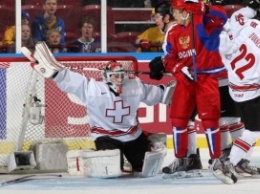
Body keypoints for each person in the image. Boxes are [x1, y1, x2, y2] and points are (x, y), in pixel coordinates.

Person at [22, 41, 170, 175]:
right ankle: (92, 157)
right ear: (106, 77)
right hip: (106, 137)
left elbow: (162, 94)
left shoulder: (134, 86)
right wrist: (54, 73)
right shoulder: (93, 89)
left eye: (120, 76)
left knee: (146, 169)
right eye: (114, 76)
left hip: (132, 136)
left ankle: (148, 141)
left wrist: (180, 89)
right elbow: (71, 81)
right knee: (111, 171)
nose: (118, 80)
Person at [149, 0, 237, 184]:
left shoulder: (205, 22)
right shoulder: (173, 32)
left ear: (187, 12)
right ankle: (181, 159)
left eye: (177, 11)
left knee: (211, 119)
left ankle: (216, 160)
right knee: (179, 119)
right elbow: (170, 59)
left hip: (206, 79)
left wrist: (203, 7)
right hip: (185, 81)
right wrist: (179, 69)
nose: (174, 15)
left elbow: (221, 16)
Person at [148, 0, 202, 174]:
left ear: (166, 17)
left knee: (182, 120)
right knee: (188, 120)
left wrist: (162, 65)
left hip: (192, 81)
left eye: (156, 16)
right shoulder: (178, 29)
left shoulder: (173, 30)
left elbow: (179, 59)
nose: (155, 20)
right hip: (195, 79)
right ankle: (192, 158)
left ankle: (188, 158)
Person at [219, 1, 260, 177]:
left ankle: (237, 161)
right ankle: (229, 163)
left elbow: (245, 12)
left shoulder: (237, 21)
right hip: (251, 91)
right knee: (253, 131)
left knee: (249, 127)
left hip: (235, 87)